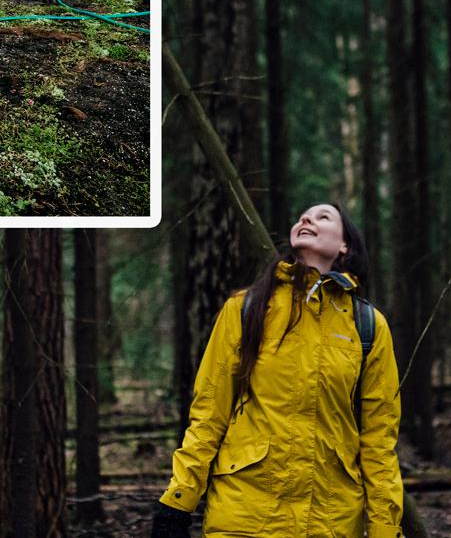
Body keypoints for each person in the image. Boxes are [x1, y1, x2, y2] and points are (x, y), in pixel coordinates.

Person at [151, 204, 403, 538]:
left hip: (332, 521)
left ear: (345, 246)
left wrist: (385, 527)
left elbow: (378, 439)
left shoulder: (368, 326)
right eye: (302, 216)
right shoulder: (245, 308)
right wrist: (179, 501)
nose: (306, 219)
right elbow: (210, 413)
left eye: (323, 217)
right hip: (245, 515)